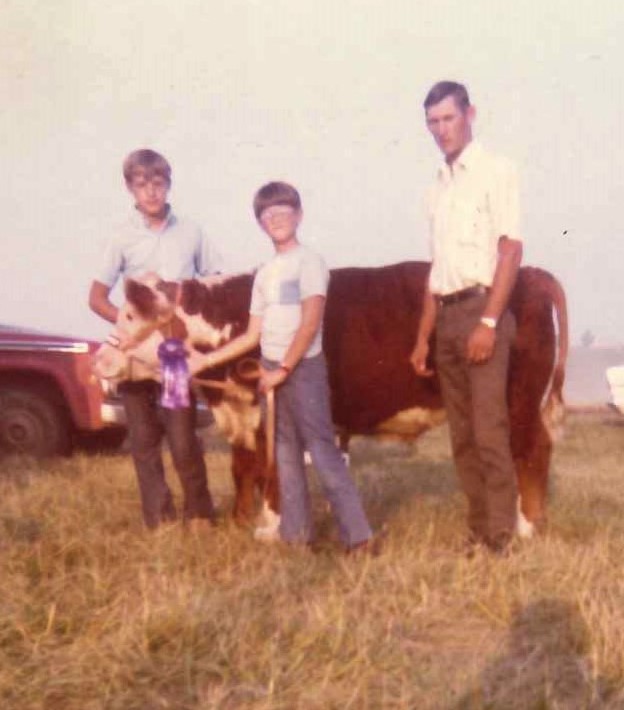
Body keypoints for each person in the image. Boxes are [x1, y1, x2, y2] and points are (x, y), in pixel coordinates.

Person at [190, 181, 373, 552]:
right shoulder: (265, 273)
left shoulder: (310, 262)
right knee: (285, 455)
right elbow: (252, 334)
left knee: (322, 451)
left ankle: (359, 537)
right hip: (273, 370)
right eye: (267, 214)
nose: (276, 219)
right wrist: (205, 360)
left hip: (302, 368)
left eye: (283, 211)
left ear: (299, 215)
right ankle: (297, 534)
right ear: (260, 223)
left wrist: (284, 369)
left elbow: (309, 324)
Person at [410, 81, 523, 555]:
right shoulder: (436, 187)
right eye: (433, 122)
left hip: (482, 309)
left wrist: (490, 323)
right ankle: (478, 530)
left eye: (448, 118)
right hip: (447, 315)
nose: (441, 129)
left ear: (470, 114)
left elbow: (510, 251)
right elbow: (436, 271)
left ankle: (501, 537)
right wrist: (422, 340)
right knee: (460, 436)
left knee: (488, 429)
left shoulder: (496, 171)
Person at [88, 148, 220, 530]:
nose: (151, 193)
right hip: (133, 357)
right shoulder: (121, 237)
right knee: (143, 441)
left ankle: (199, 513)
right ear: (130, 188)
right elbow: (96, 297)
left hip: (175, 357)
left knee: (182, 440)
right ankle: (159, 520)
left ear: (168, 184)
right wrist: (131, 325)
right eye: (141, 185)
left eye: (158, 183)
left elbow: (214, 280)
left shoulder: (191, 231)